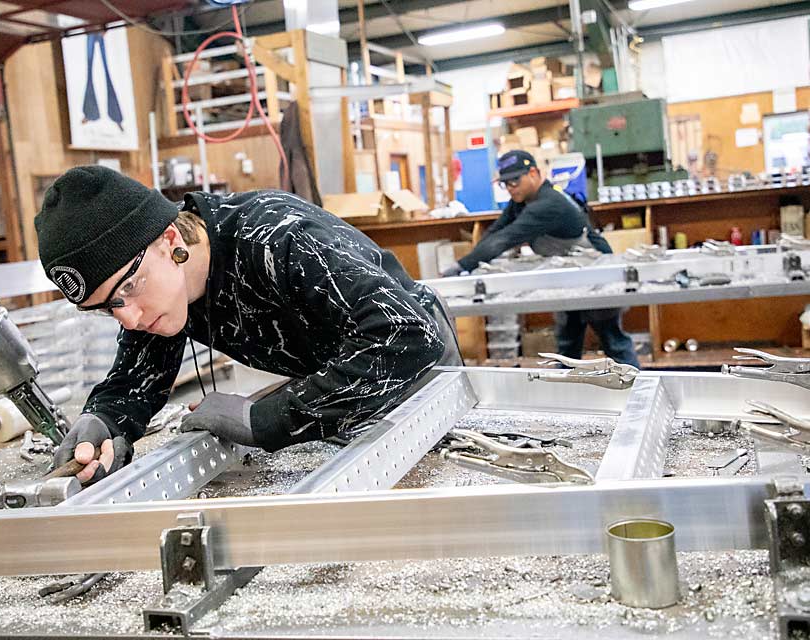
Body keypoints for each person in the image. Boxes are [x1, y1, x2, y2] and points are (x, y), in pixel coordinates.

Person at [36, 166, 461, 485]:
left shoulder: (277, 237)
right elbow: (136, 381)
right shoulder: (160, 289)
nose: (128, 317)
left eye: (129, 288)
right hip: (344, 387)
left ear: (170, 241)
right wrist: (106, 421)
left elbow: (405, 336)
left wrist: (265, 419)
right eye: (107, 308)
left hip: (419, 374)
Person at [441, 150, 640, 368]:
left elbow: (505, 239)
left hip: (595, 276)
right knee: (568, 346)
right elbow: (496, 231)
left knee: (614, 341)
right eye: (505, 183)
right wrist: (472, 263)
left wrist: (461, 266)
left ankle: (635, 388)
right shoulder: (522, 202)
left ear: (534, 173)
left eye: (515, 181)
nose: (510, 188)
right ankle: (568, 395)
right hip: (569, 278)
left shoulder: (548, 203)